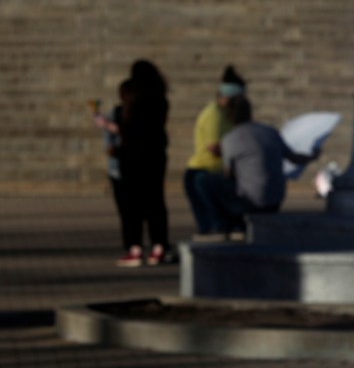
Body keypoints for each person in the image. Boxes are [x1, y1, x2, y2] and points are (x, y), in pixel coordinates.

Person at [193, 94, 318, 235]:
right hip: (275, 200)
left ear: (229, 116)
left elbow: (229, 176)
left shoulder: (230, 139)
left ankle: (221, 226)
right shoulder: (269, 131)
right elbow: (294, 158)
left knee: (201, 180)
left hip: (250, 203)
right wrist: (313, 155)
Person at [99, 60, 172, 267]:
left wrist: (109, 126)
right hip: (155, 157)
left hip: (130, 158)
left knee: (130, 206)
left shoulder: (132, 102)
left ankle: (135, 248)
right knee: (155, 202)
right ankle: (159, 247)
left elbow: (130, 130)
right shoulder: (161, 100)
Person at [183, 65, 242, 238]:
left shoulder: (228, 115)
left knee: (221, 226)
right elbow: (214, 148)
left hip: (215, 173)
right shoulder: (214, 115)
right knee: (211, 227)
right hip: (202, 174)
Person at [93, 80, 135, 255]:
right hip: (119, 167)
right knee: (126, 210)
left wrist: (108, 127)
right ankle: (132, 246)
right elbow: (108, 144)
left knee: (134, 210)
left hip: (134, 165)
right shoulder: (117, 113)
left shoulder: (140, 114)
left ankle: (137, 245)